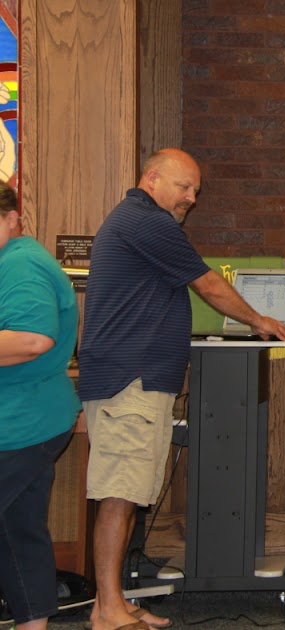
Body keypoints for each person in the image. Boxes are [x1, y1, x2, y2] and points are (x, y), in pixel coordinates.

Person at [79, 148, 285, 630]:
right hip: (125, 382)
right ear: (152, 179)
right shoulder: (145, 221)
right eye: (184, 187)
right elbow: (208, 285)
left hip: (137, 380)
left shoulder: (143, 222)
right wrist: (259, 321)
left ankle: (113, 602)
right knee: (117, 495)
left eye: (196, 191)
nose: (191, 198)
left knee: (129, 493)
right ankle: (107, 609)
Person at [0, 183, 79, 630]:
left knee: (18, 531)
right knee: (18, 532)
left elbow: (33, 339)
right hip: (32, 420)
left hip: (19, 424)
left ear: (14, 217)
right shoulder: (11, 260)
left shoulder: (21, 263)